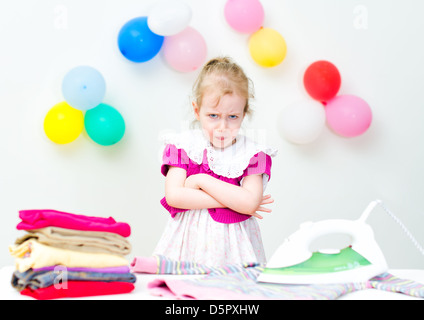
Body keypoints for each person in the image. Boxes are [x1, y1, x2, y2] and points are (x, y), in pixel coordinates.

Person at [153, 57, 277, 266]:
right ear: (196, 110)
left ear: (244, 113)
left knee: (232, 291)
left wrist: (200, 181)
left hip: (233, 248)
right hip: (187, 242)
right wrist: (235, 200)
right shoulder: (184, 145)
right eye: (213, 115)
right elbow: (174, 196)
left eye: (233, 117)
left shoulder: (252, 153)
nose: (222, 126)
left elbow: (248, 203)